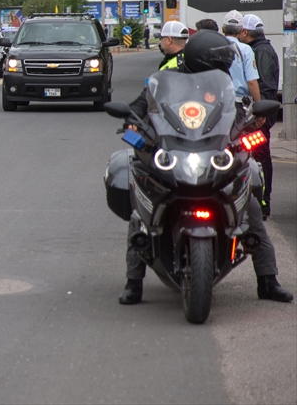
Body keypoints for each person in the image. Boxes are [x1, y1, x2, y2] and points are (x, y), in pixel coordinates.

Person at [118, 29, 293, 305]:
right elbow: (145, 101)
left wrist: (249, 121)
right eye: (220, 64)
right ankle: (133, 282)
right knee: (142, 207)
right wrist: (132, 120)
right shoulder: (170, 72)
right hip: (174, 149)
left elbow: (231, 111)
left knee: (252, 209)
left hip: (211, 153)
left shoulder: (219, 83)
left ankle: (268, 280)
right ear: (203, 61)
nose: (224, 70)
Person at [240, 14, 278, 220]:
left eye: (239, 31)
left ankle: (263, 202)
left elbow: (262, 84)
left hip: (261, 114)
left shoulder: (261, 52)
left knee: (261, 157)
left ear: (245, 32)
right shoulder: (259, 48)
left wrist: (260, 112)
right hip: (260, 112)